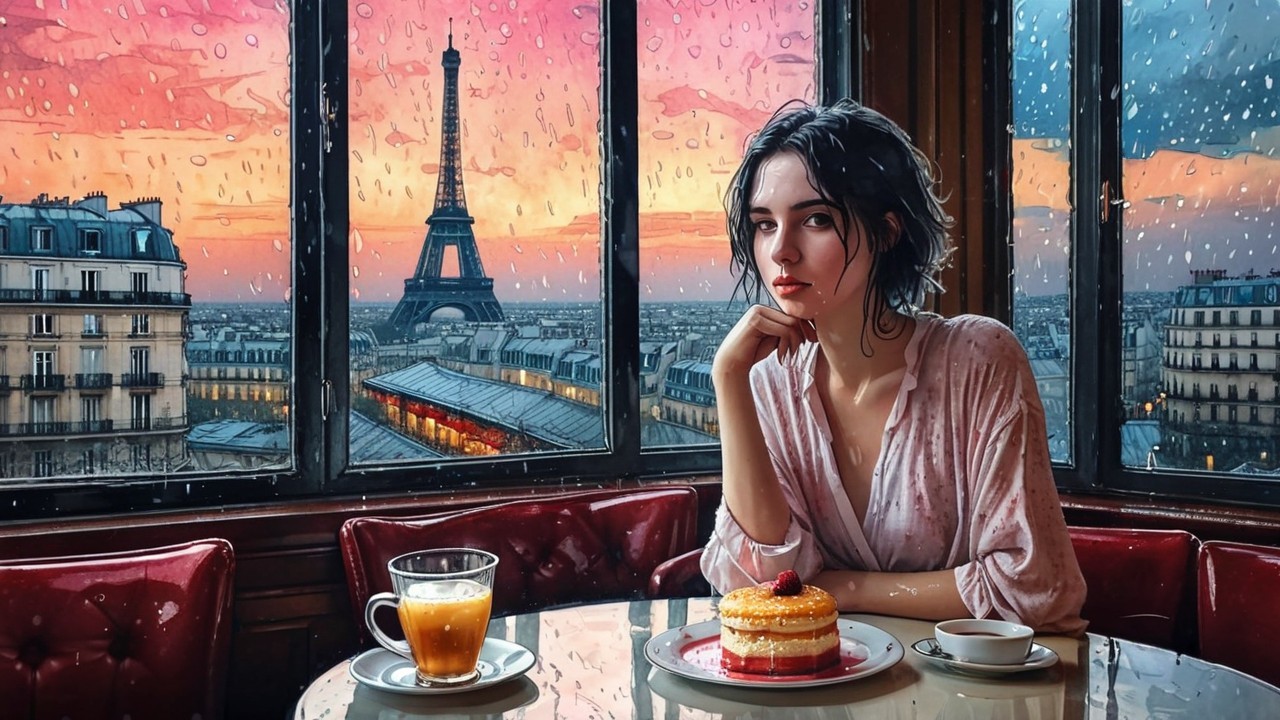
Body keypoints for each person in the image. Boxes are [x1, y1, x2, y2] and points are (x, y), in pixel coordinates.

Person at [700, 98, 1086, 634]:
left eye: (815, 219)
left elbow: (1034, 585)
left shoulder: (977, 360)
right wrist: (728, 380)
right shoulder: (767, 382)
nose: (782, 252)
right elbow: (761, 581)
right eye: (764, 225)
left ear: (885, 231)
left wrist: (844, 587)